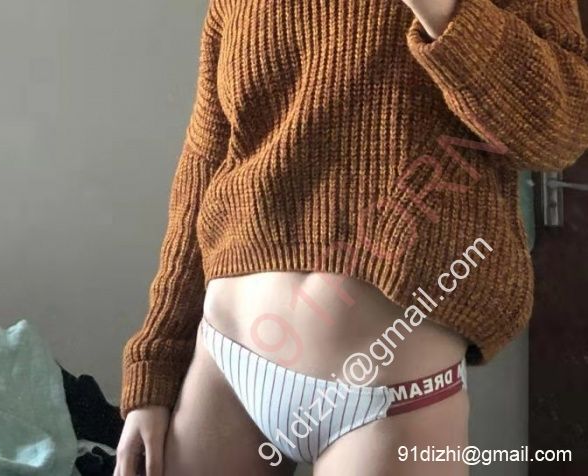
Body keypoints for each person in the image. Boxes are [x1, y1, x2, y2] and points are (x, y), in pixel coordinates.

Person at [114, 1, 588, 475]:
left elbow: (564, 130)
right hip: (223, 367)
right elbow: (204, 163)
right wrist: (156, 363)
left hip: (391, 399)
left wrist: (444, 10)